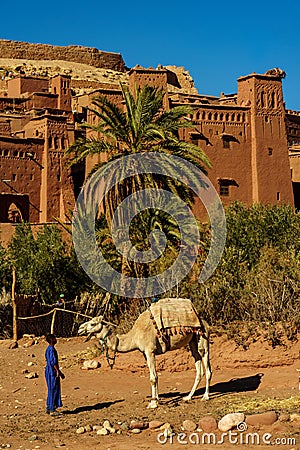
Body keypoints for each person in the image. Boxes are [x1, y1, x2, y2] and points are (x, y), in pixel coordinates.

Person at [45, 334, 65, 416]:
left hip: (49, 371)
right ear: (52, 340)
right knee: (54, 389)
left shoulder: (48, 349)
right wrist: (58, 371)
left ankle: (49, 407)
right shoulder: (51, 350)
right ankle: (52, 409)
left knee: (51, 389)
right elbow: (53, 362)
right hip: (52, 371)